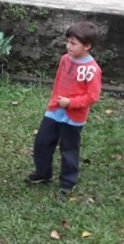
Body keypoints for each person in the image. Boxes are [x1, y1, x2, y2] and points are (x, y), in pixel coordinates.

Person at [26, 21, 102, 195]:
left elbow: (93, 96)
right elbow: (58, 83)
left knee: (69, 149)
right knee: (42, 142)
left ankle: (68, 181)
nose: (68, 46)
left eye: (73, 44)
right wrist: (54, 102)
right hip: (54, 111)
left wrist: (71, 103)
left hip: (74, 117)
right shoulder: (65, 60)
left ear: (87, 46)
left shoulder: (92, 70)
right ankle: (43, 173)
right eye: (68, 42)